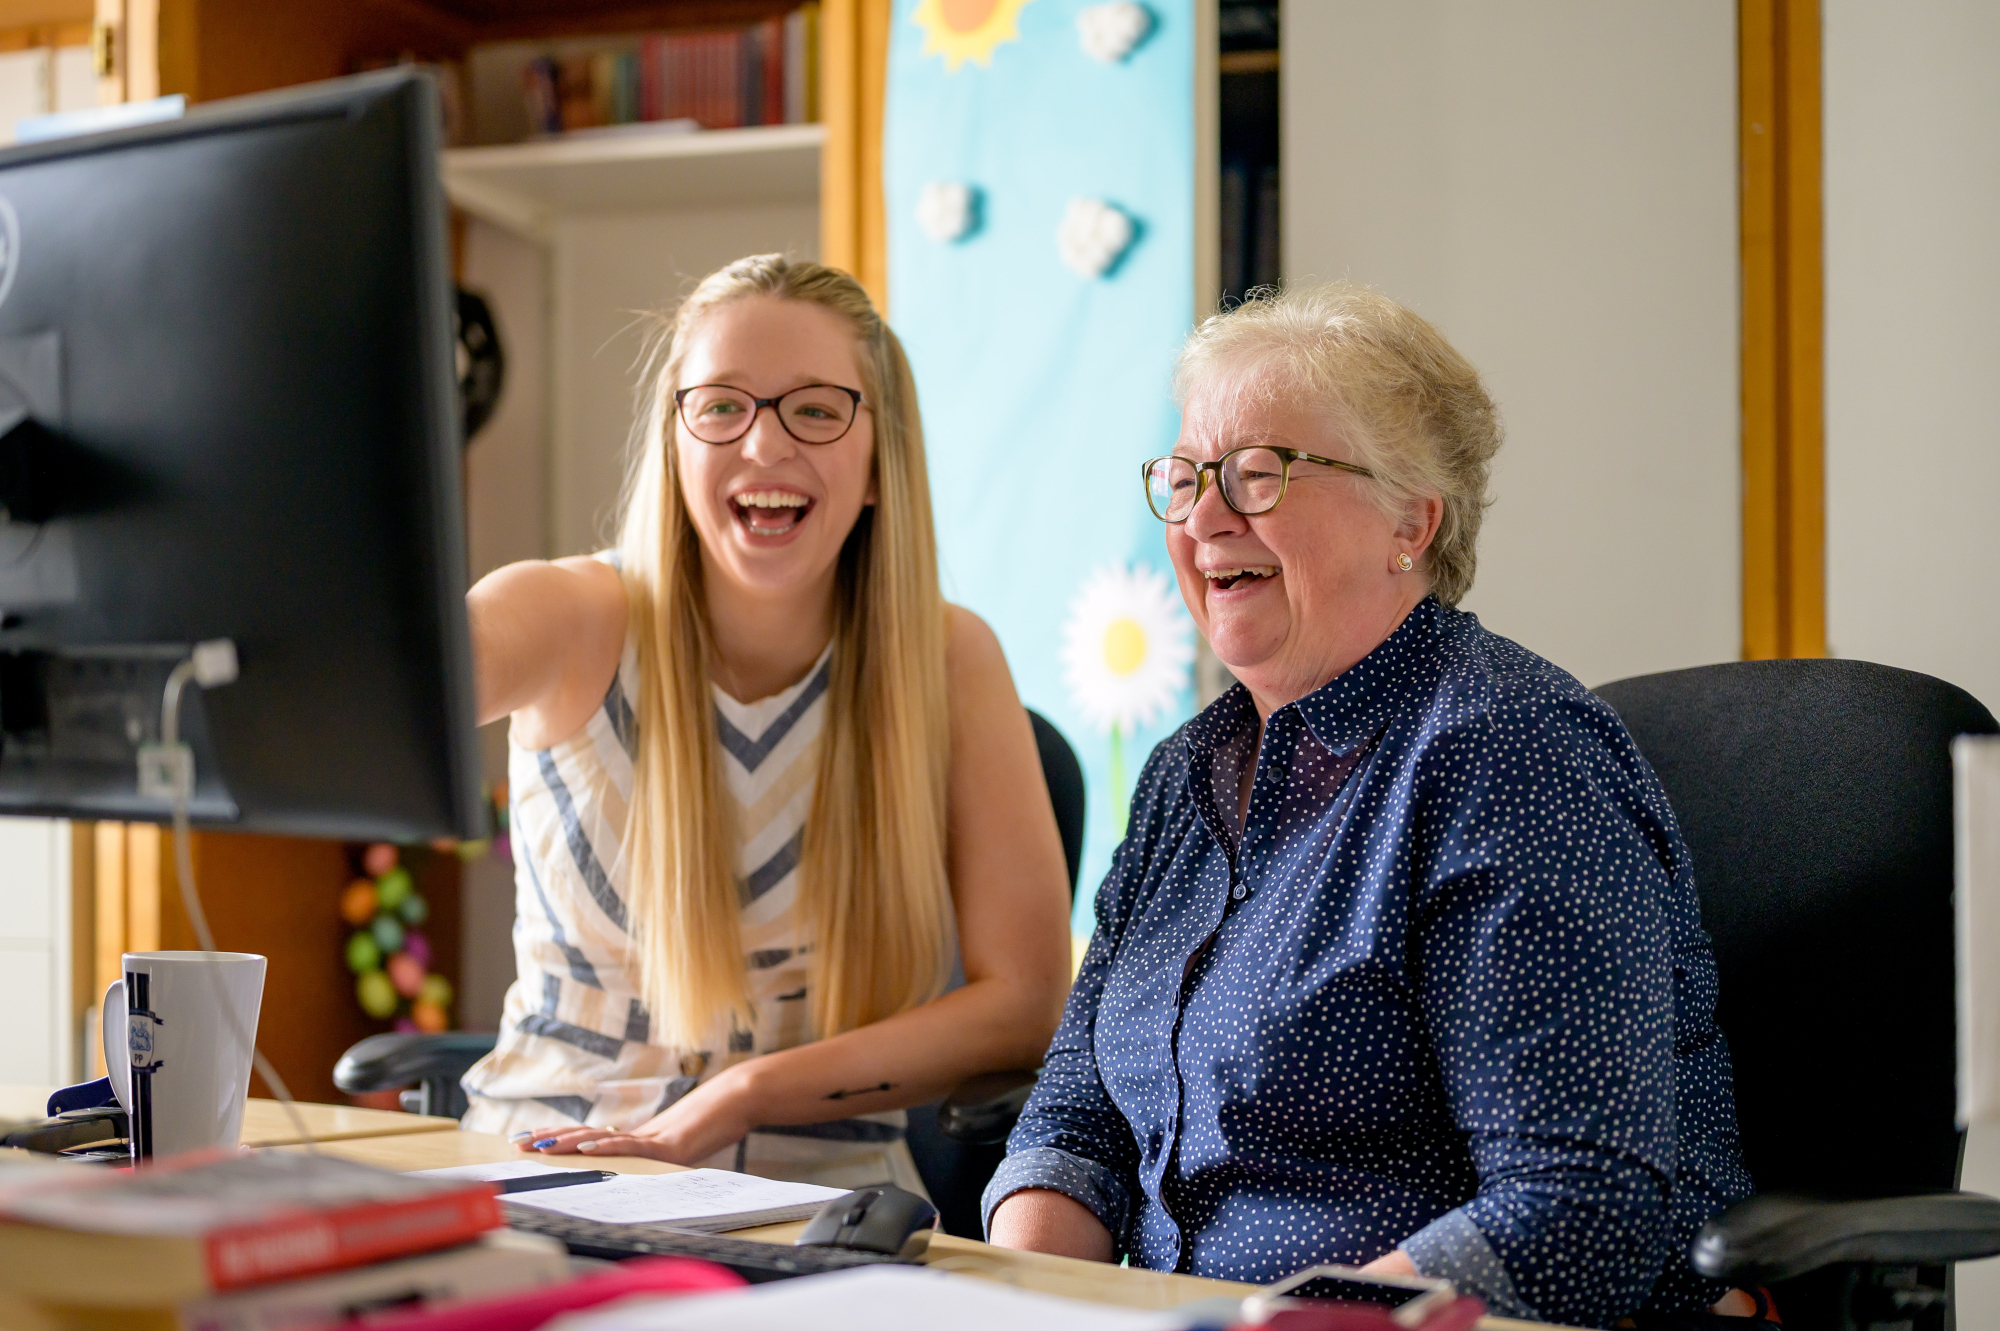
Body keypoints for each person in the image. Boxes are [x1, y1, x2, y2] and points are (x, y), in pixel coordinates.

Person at [983, 283, 1755, 1328]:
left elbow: (1576, 1209)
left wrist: (1268, 1319)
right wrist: (1029, 1300)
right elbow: (1076, 1117)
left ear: (1409, 520)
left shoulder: (1506, 753)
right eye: (1185, 476)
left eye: (1258, 476)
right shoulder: (1184, 772)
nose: (1205, 516)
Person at [458, 255, 1072, 1193]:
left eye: (816, 409)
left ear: (878, 463)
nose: (762, 446)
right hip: (548, 1157)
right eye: (722, 406)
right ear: (677, 442)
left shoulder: (949, 659)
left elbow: (1026, 1003)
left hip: (823, 1181)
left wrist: (742, 1095)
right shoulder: (564, 614)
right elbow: (401, 684)